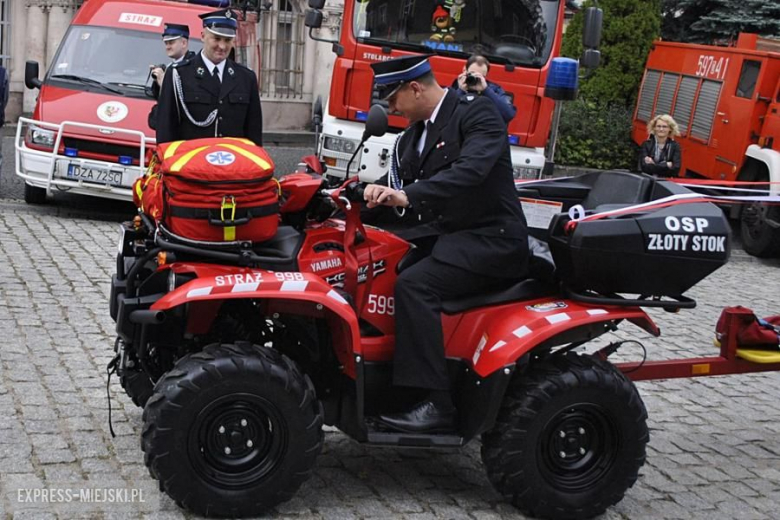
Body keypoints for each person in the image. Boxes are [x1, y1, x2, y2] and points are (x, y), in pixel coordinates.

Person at [364, 55, 529, 433]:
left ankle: (433, 401)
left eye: (393, 101)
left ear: (415, 88)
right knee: (377, 265)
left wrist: (407, 196)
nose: (391, 110)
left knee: (415, 285)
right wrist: (357, 201)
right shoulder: (411, 136)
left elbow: (469, 171)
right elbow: (398, 192)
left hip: (491, 239)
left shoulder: (477, 115)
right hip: (447, 236)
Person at [155, 8, 263, 146]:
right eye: (216, 39)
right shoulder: (179, 74)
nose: (222, 46)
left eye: (228, 40)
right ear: (202, 36)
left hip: (232, 164)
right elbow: (166, 129)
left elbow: (254, 134)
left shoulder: (246, 78)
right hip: (191, 163)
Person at [148, 23, 196, 129]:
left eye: (171, 42)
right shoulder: (171, 66)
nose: (168, 47)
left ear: (183, 43)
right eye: (166, 43)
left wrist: (165, 84)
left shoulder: (193, 67)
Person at [452, 54, 516, 124]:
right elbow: (445, 112)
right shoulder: (456, 86)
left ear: (485, 76)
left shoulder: (494, 90)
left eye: (480, 76)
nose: (475, 79)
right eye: (472, 74)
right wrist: (461, 91)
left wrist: (486, 90)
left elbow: (508, 114)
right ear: (465, 70)